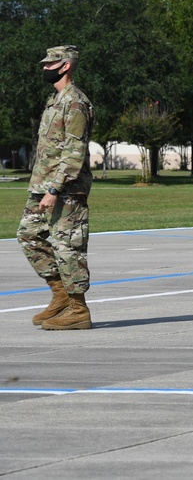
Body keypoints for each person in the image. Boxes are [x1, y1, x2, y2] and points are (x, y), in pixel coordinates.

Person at [18, 45, 96, 330]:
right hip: (42, 185)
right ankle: (60, 294)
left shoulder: (75, 102)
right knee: (28, 235)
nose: (44, 68)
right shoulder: (55, 100)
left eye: (50, 64)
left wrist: (54, 189)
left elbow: (74, 151)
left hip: (65, 189)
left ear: (65, 66)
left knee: (68, 247)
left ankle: (78, 310)